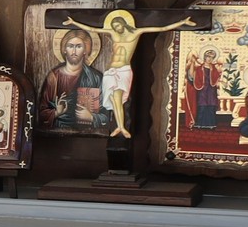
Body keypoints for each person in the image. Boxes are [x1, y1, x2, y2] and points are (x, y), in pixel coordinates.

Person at [62, 9, 198, 139]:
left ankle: (121, 127)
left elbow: (160, 28)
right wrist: (73, 23)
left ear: (123, 24)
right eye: (114, 26)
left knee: (119, 98)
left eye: (118, 26)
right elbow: (93, 29)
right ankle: (120, 127)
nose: (116, 29)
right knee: (115, 100)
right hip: (111, 71)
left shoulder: (136, 33)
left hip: (123, 70)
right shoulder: (114, 34)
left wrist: (182, 22)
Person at [41, 30, 105, 132]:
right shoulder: (54, 77)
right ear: (64, 49)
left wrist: (91, 117)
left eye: (79, 46)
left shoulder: (96, 78)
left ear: (85, 50)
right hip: (58, 134)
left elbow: (106, 115)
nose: (74, 51)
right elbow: (41, 113)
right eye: (70, 46)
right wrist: (57, 112)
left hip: (88, 133)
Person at [183, 48, 222, 131]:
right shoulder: (198, 68)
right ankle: (200, 124)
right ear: (205, 57)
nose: (210, 59)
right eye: (208, 57)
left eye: (212, 57)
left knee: (211, 107)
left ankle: (211, 124)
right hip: (202, 91)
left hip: (211, 91)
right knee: (202, 107)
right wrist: (192, 63)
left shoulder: (214, 68)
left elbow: (217, 77)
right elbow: (192, 77)